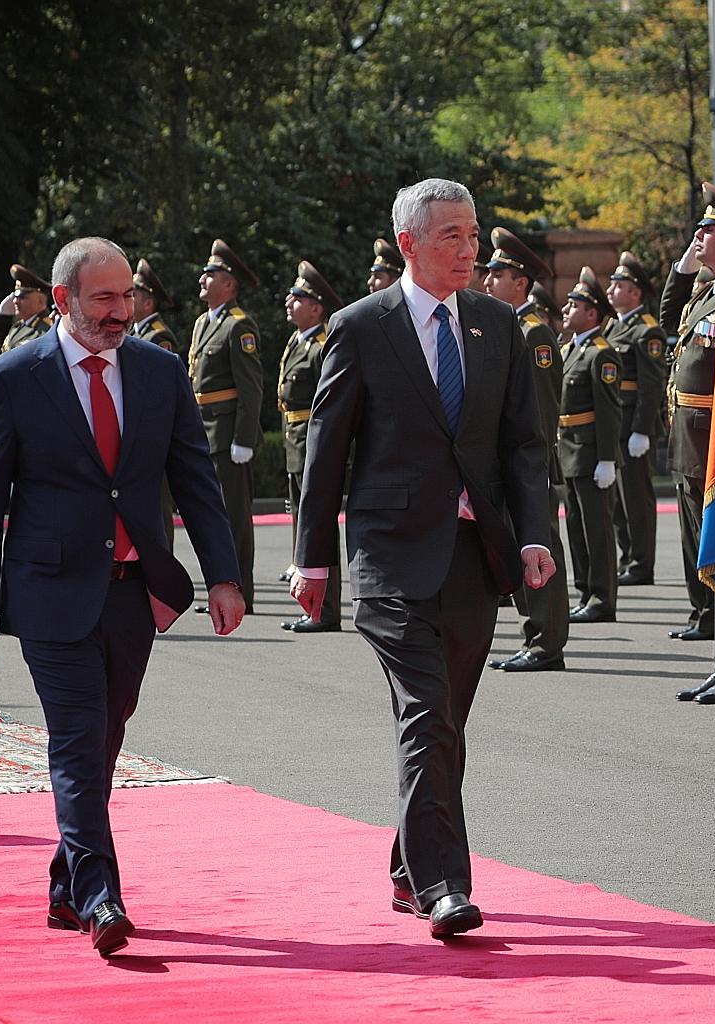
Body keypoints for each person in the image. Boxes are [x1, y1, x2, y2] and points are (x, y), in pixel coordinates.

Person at [0, 236, 244, 958]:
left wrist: (223, 576)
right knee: (80, 740)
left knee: (105, 736)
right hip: (49, 592)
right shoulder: (12, 376)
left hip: (131, 592)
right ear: (64, 300)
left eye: (126, 297)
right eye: (104, 299)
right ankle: (99, 895)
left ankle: (64, 881)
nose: (121, 312)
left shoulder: (159, 371)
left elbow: (197, 481)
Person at [289, 178, 555, 935]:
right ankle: (445, 885)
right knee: (427, 716)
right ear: (409, 242)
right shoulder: (359, 326)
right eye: (451, 237)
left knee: (446, 723)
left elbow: (523, 445)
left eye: (473, 235)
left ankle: (410, 868)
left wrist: (534, 533)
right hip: (389, 560)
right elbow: (326, 451)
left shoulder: (498, 325)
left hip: (475, 558)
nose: (469, 250)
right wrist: (313, 562)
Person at [483, 227, 571, 672]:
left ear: (520, 282)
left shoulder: (533, 334)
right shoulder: (505, 327)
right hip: (507, 460)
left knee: (539, 546)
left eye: (496, 274)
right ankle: (534, 634)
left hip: (529, 461)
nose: (486, 281)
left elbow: (539, 410)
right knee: (519, 545)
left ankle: (547, 642)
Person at [663, 185, 715, 654]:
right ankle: (701, 612)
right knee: (691, 533)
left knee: (714, 535)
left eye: (708, 230)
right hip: (687, 432)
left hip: (713, 433)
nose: (699, 237)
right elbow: (670, 319)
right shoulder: (705, 294)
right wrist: (688, 263)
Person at [189, 239, 263, 613]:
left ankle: (241, 593)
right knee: (213, 520)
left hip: (228, 434)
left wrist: (244, 439)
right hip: (205, 433)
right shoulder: (204, 322)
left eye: (212, 273)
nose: (204, 277)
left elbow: (250, 388)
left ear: (229, 284)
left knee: (234, 520)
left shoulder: (239, 326)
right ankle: (220, 588)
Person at [278, 260, 343, 633]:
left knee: (318, 527)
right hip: (294, 441)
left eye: (298, 297)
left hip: (311, 444)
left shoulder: (322, 346)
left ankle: (325, 609)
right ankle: (311, 605)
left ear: (317, 307)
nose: (290, 301)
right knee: (302, 525)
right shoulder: (297, 341)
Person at [557, 268, 623, 624]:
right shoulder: (571, 349)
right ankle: (585, 591)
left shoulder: (601, 354)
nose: (566, 310)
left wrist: (607, 459)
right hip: (569, 450)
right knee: (578, 529)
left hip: (590, 452)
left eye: (575, 305)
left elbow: (608, 411)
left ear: (593, 314)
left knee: (597, 531)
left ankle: (602, 597)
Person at [604, 252, 666, 587]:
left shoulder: (646, 331)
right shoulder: (614, 326)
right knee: (617, 499)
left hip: (632, 427)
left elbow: (652, 385)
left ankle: (642, 563)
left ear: (637, 293)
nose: (612, 289)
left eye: (621, 284)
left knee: (636, 498)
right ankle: (627, 557)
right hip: (615, 424)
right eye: (613, 283)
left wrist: (642, 430)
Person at [133, 257, 183, 548]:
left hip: (153, 432)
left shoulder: (158, 336)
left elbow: (160, 394)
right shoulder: (133, 333)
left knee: (159, 511)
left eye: (134, 294)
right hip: (136, 432)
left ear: (149, 303)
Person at [0, 264, 54, 351]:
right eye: (15, 296)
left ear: (40, 300)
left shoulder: (45, 330)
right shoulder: (17, 326)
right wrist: (1, 318)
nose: (15, 301)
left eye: (21, 297)